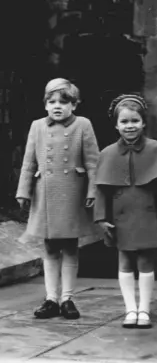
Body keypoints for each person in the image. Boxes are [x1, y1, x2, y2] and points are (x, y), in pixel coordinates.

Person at [16, 78, 100, 320]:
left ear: (74, 105)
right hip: (45, 193)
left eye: (64, 102)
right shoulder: (37, 126)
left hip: (72, 192)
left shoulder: (83, 125)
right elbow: (29, 161)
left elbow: (93, 162)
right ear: (45, 105)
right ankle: (51, 298)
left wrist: (93, 190)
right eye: (52, 101)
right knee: (50, 247)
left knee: (71, 247)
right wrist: (23, 190)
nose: (57, 106)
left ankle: (68, 299)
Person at [94, 94, 157, 329]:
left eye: (135, 121)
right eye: (124, 122)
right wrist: (101, 218)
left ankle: (144, 309)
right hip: (119, 216)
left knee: (146, 261)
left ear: (143, 122)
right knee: (124, 261)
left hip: (148, 213)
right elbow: (100, 190)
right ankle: (130, 309)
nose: (130, 126)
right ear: (116, 125)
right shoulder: (107, 154)